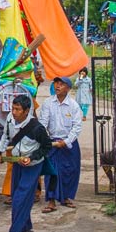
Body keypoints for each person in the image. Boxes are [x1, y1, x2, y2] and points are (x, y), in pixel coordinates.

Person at [0, 94, 52, 232]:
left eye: (18, 109)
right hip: (17, 162)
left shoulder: (37, 128)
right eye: (13, 108)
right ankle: (26, 225)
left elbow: (47, 146)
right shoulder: (9, 119)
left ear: (26, 111)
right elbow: (6, 136)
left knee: (20, 198)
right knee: (16, 194)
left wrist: (32, 158)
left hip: (33, 166)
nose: (14, 112)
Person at [39, 76, 82, 212]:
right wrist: (45, 139)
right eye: (56, 83)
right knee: (51, 172)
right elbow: (43, 123)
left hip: (69, 144)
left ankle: (66, 197)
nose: (57, 86)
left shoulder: (73, 105)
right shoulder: (48, 103)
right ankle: (51, 200)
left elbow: (77, 126)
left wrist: (66, 141)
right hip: (52, 143)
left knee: (70, 171)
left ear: (68, 88)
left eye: (61, 84)